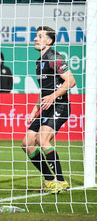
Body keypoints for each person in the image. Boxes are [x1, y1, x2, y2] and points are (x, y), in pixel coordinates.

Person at [20, 26, 75, 194]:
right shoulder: (39, 62)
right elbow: (43, 91)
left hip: (59, 105)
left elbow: (71, 81)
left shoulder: (54, 58)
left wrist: (53, 96)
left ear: (49, 41)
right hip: (45, 107)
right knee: (27, 144)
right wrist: (34, 111)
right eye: (36, 36)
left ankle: (61, 181)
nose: (35, 39)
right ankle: (50, 180)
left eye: (40, 36)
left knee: (42, 140)